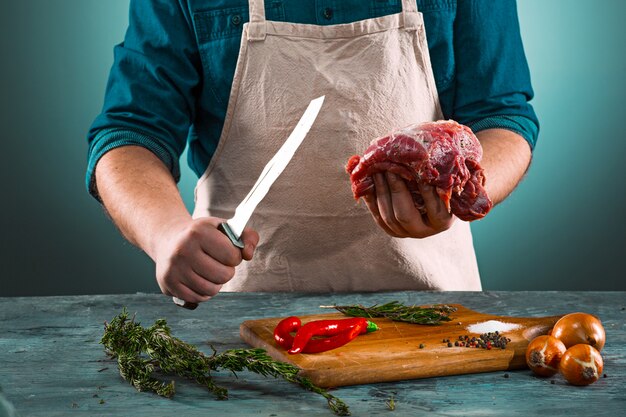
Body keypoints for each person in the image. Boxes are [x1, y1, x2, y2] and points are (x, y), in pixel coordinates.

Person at [87, 0, 538, 305]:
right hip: (243, 321)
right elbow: (132, 131)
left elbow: (502, 116)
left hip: (433, 310)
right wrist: (166, 233)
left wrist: (458, 193)